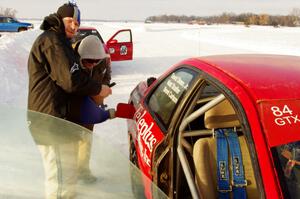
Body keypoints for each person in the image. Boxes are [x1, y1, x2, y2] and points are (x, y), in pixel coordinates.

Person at [27, 2, 110, 198]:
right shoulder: (52, 41)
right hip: (50, 121)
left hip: (61, 121)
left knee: (68, 174)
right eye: (70, 21)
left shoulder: (62, 42)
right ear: (60, 18)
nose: (74, 26)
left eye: (77, 23)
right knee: (59, 178)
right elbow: (70, 80)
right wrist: (99, 88)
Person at [68, 35, 114, 183]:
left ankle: (83, 171)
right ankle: (70, 175)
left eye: (96, 61)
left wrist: (102, 88)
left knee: (86, 139)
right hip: (74, 106)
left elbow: (106, 75)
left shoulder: (102, 59)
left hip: (92, 104)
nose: (93, 64)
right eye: (88, 61)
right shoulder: (70, 58)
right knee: (72, 141)